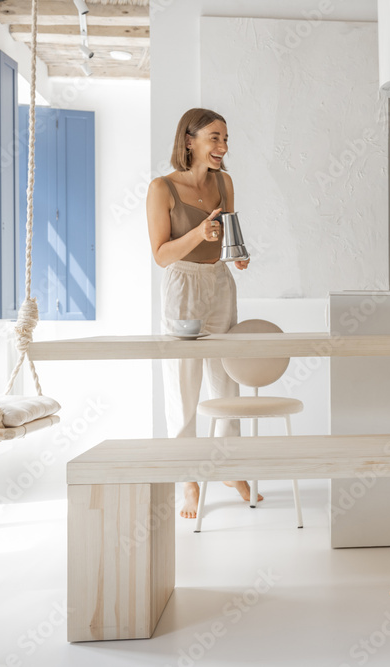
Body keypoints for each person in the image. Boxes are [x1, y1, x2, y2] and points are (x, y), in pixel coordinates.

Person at [146, 108, 258, 519]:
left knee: (226, 379)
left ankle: (229, 468)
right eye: (214, 138)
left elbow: (224, 237)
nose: (223, 147)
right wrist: (197, 233)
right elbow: (160, 255)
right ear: (189, 140)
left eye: (226, 138)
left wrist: (236, 256)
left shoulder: (225, 183)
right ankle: (188, 478)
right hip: (182, 285)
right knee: (183, 385)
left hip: (218, 283)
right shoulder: (162, 189)